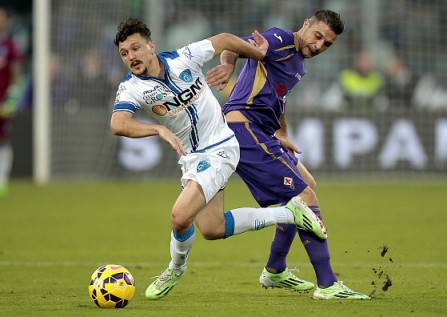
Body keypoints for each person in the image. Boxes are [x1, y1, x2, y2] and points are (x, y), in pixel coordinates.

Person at [111, 18, 326, 300]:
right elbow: (118, 123)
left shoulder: (183, 58)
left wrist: (241, 60)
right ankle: (288, 213)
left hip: (222, 146)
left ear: (151, 46)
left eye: (136, 48)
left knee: (179, 214)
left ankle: (174, 270)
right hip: (194, 158)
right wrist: (157, 128)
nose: (132, 57)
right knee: (212, 229)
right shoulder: (131, 88)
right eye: (125, 54)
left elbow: (224, 38)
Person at [206, 10, 370, 299]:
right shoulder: (280, 39)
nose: (319, 46)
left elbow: (277, 97)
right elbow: (231, 44)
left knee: (308, 188)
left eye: (327, 44)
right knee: (304, 197)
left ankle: (275, 270)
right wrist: (229, 65)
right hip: (243, 128)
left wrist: (282, 133)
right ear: (306, 25)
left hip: (261, 131)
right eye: (318, 36)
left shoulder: (298, 64)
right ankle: (328, 285)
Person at [0, 7, 23, 198]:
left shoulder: (9, 46)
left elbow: (15, 72)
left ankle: (2, 180)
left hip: (3, 101)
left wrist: (12, 96)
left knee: (3, 138)